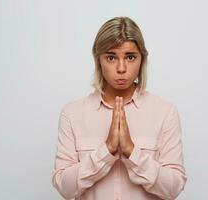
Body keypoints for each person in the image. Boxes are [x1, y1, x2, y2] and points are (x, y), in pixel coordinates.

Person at [51, 16, 187, 200]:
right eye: (111, 57)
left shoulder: (165, 112)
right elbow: (65, 188)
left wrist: (132, 151)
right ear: (98, 59)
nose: (121, 68)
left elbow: (174, 188)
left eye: (130, 57)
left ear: (142, 60)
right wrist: (106, 151)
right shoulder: (72, 113)